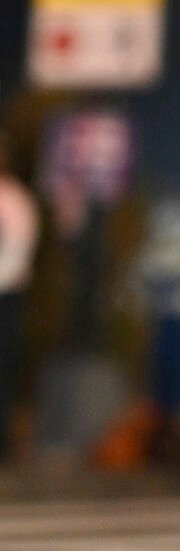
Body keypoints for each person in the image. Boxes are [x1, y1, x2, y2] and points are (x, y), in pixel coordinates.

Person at [0, 132, 40, 462]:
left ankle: (4, 441)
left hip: (6, 296)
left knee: (4, 366)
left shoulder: (14, 200)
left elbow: (16, 255)